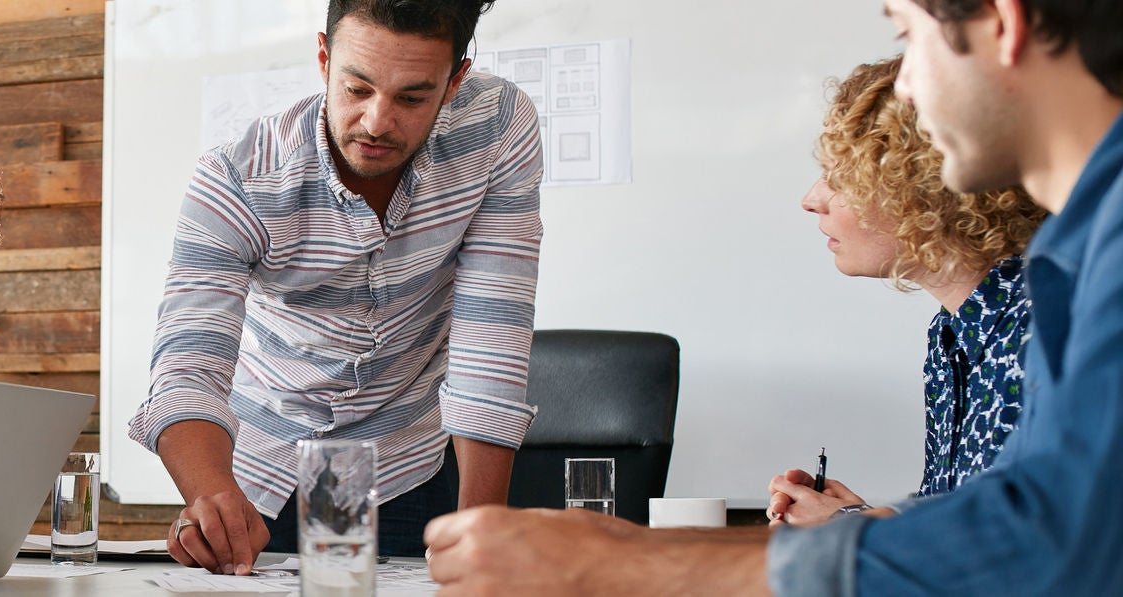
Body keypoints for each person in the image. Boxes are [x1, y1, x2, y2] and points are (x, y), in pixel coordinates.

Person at [423, 0, 1123, 595]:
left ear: (1003, 23)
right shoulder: (1065, 265)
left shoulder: (1070, 281)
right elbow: (999, 526)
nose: (905, 89)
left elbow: (1040, 549)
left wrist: (618, 560)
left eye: (909, 36)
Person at [127, 0, 542, 574]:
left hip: (403, 458)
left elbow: (492, 335)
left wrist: (481, 531)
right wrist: (210, 493)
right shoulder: (237, 176)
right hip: (262, 471)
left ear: (454, 83)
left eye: (412, 98)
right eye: (357, 88)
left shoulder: (497, 126)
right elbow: (188, 367)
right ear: (324, 59)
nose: (376, 122)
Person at [770, 56, 1047, 527]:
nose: (811, 199)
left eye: (840, 177)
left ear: (924, 190)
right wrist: (856, 516)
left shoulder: (1042, 334)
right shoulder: (953, 331)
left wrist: (851, 528)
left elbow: (1016, 558)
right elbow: (960, 520)